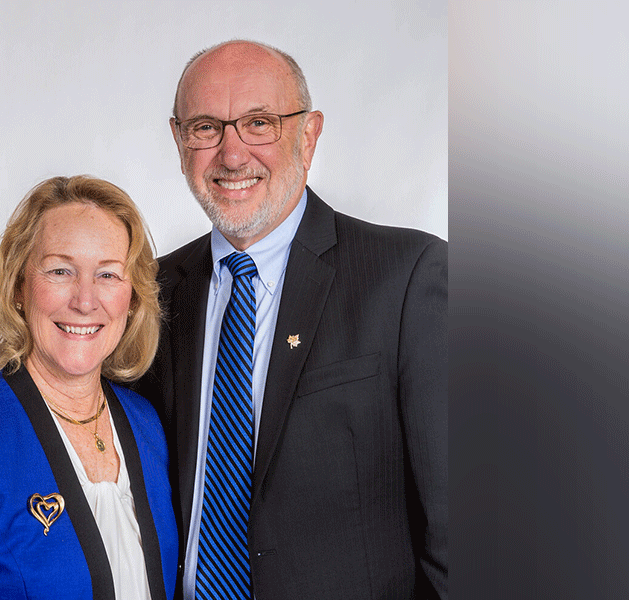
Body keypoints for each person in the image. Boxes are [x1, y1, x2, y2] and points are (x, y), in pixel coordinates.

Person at [135, 41, 447, 599]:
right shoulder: (148, 291)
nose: (231, 155)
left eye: (259, 123)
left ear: (308, 134)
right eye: (206, 127)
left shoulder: (407, 277)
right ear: (180, 140)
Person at [0, 175, 178, 599]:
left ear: (133, 298)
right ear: (19, 286)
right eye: (60, 271)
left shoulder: (147, 424)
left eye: (108, 275)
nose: (85, 300)